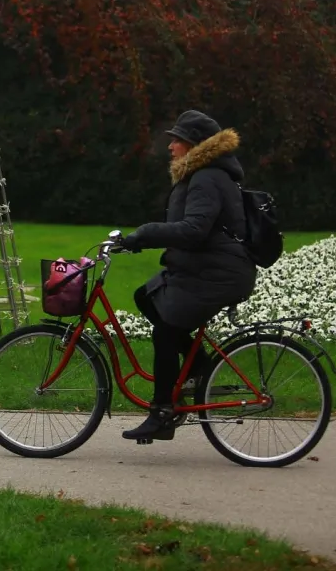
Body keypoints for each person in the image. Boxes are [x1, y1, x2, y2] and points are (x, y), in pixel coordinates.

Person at [118, 110, 257, 442]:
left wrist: (145, 234)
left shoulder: (207, 177)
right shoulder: (202, 174)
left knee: (166, 331)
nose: (171, 147)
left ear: (195, 145)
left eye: (177, 140)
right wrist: (142, 240)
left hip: (219, 274)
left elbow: (194, 230)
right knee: (144, 296)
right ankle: (199, 368)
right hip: (205, 269)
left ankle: (163, 412)